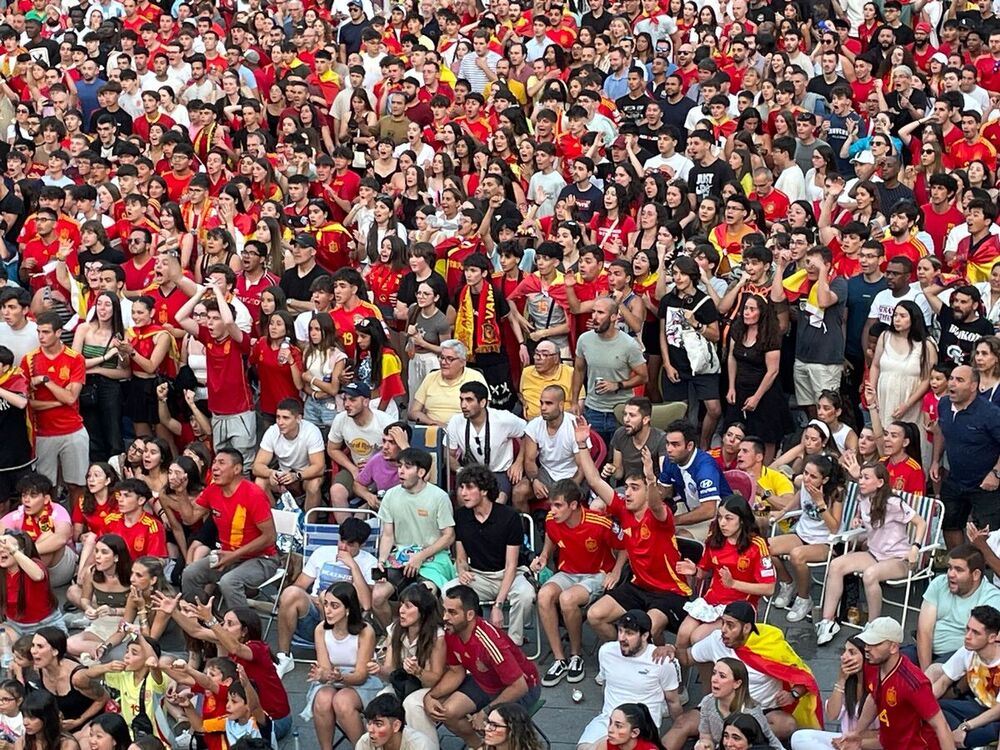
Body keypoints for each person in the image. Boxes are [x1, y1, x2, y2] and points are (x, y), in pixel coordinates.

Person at [572, 416, 691, 641]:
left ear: (647, 492)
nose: (627, 493)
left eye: (634, 488)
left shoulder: (660, 514)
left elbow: (656, 504)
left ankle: (647, 664)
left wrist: (650, 478)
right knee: (595, 615)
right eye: (626, 487)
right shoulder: (623, 510)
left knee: (643, 632)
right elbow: (596, 481)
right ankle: (625, 658)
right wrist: (581, 445)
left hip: (669, 592)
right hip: (638, 587)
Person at [668, 601, 822, 740]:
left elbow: (804, 678)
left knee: (787, 724)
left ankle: (735, 740)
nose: (723, 630)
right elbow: (687, 659)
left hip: (761, 712)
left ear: (747, 627)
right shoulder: (716, 640)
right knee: (682, 724)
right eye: (723, 623)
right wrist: (672, 648)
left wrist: (793, 694)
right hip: (720, 707)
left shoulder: (771, 645)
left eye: (730, 625)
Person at [813, 462, 925, 645]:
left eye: (866, 478)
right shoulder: (863, 500)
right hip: (874, 554)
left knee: (870, 575)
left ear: (880, 482)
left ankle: (873, 626)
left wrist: (916, 547)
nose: (861, 482)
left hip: (899, 559)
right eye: (861, 478)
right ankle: (828, 621)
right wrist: (858, 521)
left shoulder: (893, 502)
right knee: (836, 565)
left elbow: (921, 523)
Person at [423, 585, 541, 749]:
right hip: (485, 682)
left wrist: (485, 712)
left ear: (470, 615)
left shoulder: (489, 641)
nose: (445, 617)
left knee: (496, 723)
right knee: (447, 713)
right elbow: (457, 672)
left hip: (523, 687)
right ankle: (479, 747)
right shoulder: (452, 632)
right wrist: (431, 696)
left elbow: (519, 686)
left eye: (452, 612)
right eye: (444, 610)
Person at [532, 479, 623, 688]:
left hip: (596, 574)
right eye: (551, 505)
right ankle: (559, 659)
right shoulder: (551, 519)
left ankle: (575, 655)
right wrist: (544, 556)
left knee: (567, 599)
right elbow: (551, 538)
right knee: (544, 596)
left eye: (558, 505)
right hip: (568, 572)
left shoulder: (599, 522)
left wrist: (616, 572)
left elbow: (624, 546)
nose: (553, 510)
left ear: (573, 505)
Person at [274, 517, 376, 678]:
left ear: (361, 545)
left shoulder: (369, 562)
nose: (343, 547)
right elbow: (299, 586)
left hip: (346, 625)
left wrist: (353, 566)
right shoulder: (322, 553)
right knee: (291, 593)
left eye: (350, 544)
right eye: (342, 541)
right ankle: (284, 657)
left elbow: (366, 604)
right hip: (315, 616)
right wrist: (318, 600)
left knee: (328, 599)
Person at [445, 465, 535, 646]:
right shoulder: (461, 516)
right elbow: (461, 558)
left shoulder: (509, 516)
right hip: (479, 575)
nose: (463, 493)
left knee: (525, 594)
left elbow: (511, 565)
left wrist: (498, 606)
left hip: (509, 573)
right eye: (462, 487)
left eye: (469, 488)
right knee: (449, 591)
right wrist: (462, 570)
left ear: (484, 490)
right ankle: (472, 640)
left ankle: (512, 644)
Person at [180, 448, 279, 612]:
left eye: (221, 463)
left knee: (229, 582)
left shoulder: (253, 494)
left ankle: (242, 631)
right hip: (228, 555)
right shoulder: (212, 490)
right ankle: (202, 621)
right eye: (214, 463)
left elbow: (270, 537)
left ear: (237, 469)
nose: (215, 468)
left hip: (262, 558)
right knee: (190, 573)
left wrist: (233, 556)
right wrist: (181, 492)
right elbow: (189, 518)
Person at [834, 617, 957, 750]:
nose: (867, 649)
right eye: (867, 643)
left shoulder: (914, 683)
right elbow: (874, 697)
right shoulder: (873, 665)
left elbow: (941, 725)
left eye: (875, 644)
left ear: (893, 647)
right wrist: (858, 733)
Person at [576, 609, 682, 750]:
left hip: (641, 726)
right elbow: (606, 685)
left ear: (645, 635)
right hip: (609, 719)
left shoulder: (661, 661)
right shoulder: (606, 652)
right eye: (620, 631)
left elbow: (673, 701)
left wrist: (679, 730)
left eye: (629, 633)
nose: (622, 638)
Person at [373, 448, 456, 625]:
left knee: (424, 595)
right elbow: (388, 534)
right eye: (400, 466)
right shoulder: (391, 495)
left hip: (433, 557)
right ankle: (393, 634)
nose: (401, 471)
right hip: (400, 555)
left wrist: (421, 556)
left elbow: (448, 536)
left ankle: (428, 637)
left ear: (421, 472)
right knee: (378, 597)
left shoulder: (439, 497)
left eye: (407, 467)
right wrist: (381, 560)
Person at [21, 312, 87, 506]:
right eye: (39, 332)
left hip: (73, 430)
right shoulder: (29, 360)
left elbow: (71, 397)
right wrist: (58, 401)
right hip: (43, 433)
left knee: (77, 485)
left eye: (46, 332)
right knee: (46, 488)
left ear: (58, 333)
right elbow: (25, 402)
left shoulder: (75, 359)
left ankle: (77, 528)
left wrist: (45, 380)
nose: (41, 336)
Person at [306, 580, 383, 748]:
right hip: (333, 677)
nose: (328, 610)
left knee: (342, 702)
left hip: (359, 679)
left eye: (334, 606)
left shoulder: (365, 631)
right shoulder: (321, 629)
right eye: (325, 604)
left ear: (347, 610)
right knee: (323, 699)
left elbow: (361, 675)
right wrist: (322, 675)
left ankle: (364, 747)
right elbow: (325, 667)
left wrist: (341, 677)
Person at [931, 364, 1000, 550]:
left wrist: (996, 473)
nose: (952, 384)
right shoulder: (943, 404)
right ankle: (960, 564)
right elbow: (940, 431)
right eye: (951, 378)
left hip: (985, 484)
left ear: (973, 386)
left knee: (989, 534)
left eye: (959, 380)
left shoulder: (990, 413)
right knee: (950, 524)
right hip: (955, 479)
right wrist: (936, 460)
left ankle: (987, 574)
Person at [572, 297, 648, 449]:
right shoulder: (584, 340)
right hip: (593, 409)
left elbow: (643, 376)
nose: (594, 317)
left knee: (618, 461)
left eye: (600, 313)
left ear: (614, 317)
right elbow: (579, 370)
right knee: (594, 455)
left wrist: (618, 385)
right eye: (593, 312)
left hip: (620, 411)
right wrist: (574, 400)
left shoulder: (628, 344)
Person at [908, 544, 1000, 670]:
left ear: (976, 574)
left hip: (960, 656)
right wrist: (925, 671)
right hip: (925, 650)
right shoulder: (939, 583)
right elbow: (924, 631)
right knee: (891, 660)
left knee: (935, 673)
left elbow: (986, 642)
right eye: (949, 568)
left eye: (958, 570)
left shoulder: (991, 598)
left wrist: (929, 675)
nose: (951, 574)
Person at [665, 657, 782, 750]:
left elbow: (769, 738)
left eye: (722, 676)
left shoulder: (751, 712)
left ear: (737, 683)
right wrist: (705, 744)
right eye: (714, 673)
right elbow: (705, 735)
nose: (714, 679)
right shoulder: (707, 702)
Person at [930, 606, 1000, 747]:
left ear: (992, 638)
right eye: (967, 629)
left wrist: (965, 726)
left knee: (990, 732)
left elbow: (998, 711)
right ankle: (960, 740)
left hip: (996, 716)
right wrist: (922, 703)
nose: (967, 636)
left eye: (975, 632)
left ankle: (958, 738)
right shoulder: (967, 651)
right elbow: (944, 682)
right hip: (977, 706)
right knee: (934, 709)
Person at [446, 382, 526, 504]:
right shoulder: (455, 421)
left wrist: (519, 462)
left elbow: (529, 434)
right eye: (461, 400)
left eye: (469, 400)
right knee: (462, 498)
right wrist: (460, 470)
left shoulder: (503, 419)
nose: (463, 405)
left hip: (498, 472)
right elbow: (448, 454)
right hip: (471, 472)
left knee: (497, 503)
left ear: (483, 403)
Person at [655, 419, 732, 540]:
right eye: (667, 443)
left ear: (689, 446)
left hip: (717, 516)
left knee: (680, 538)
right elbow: (662, 492)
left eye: (675, 445)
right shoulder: (670, 460)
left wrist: (673, 521)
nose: (669, 449)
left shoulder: (705, 468)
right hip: (687, 507)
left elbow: (709, 510)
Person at [327, 382, 394, 516]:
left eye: (352, 400)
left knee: (362, 512)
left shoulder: (384, 422)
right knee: (336, 491)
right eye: (345, 399)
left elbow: (398, 453)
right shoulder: (341, 419)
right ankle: (347, 532)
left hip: (383, 470)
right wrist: (352, 468)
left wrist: (373, 464)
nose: (346, 404)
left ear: (365, 402)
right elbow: (332, 449)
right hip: (356, 468)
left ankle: (363, 515)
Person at [1, 472, 76, 588]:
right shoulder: (19, 514)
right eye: (24, 495)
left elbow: (60, 539)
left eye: (33, 496)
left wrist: (20, 552)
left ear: (46, 499)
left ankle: (22, 585)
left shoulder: (58, 510)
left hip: (61, 566)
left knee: (48, 536)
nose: (26, 500)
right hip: (28, 567)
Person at [252, 398, 325, 509]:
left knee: (314, 485)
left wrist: (297, 476)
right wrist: (271, 473)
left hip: (305, 475)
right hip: (282, 475)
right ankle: (274, 520)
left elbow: (319, 467)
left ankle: (308, 525)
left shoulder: (311, 431)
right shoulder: (272, 431)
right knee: (260, 482)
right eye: (278, 417)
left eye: (286, 418)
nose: (280, 422)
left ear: (298, 418)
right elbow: (257, 467)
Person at [606, 398, 667, 483]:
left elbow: (665, 478)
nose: (626, 420)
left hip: (652, 489)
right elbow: (619, 474)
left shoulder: (661, 439)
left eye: (632, 415)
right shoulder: (620, 434)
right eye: (625, 414)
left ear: (645, 420)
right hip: (627, 488)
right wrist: (612, 469)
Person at [356, 693, 436, 750]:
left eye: (378, 724)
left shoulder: (420, 746)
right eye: (369, 723)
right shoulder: (365, 743)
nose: (370, 730)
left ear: (396, 726)